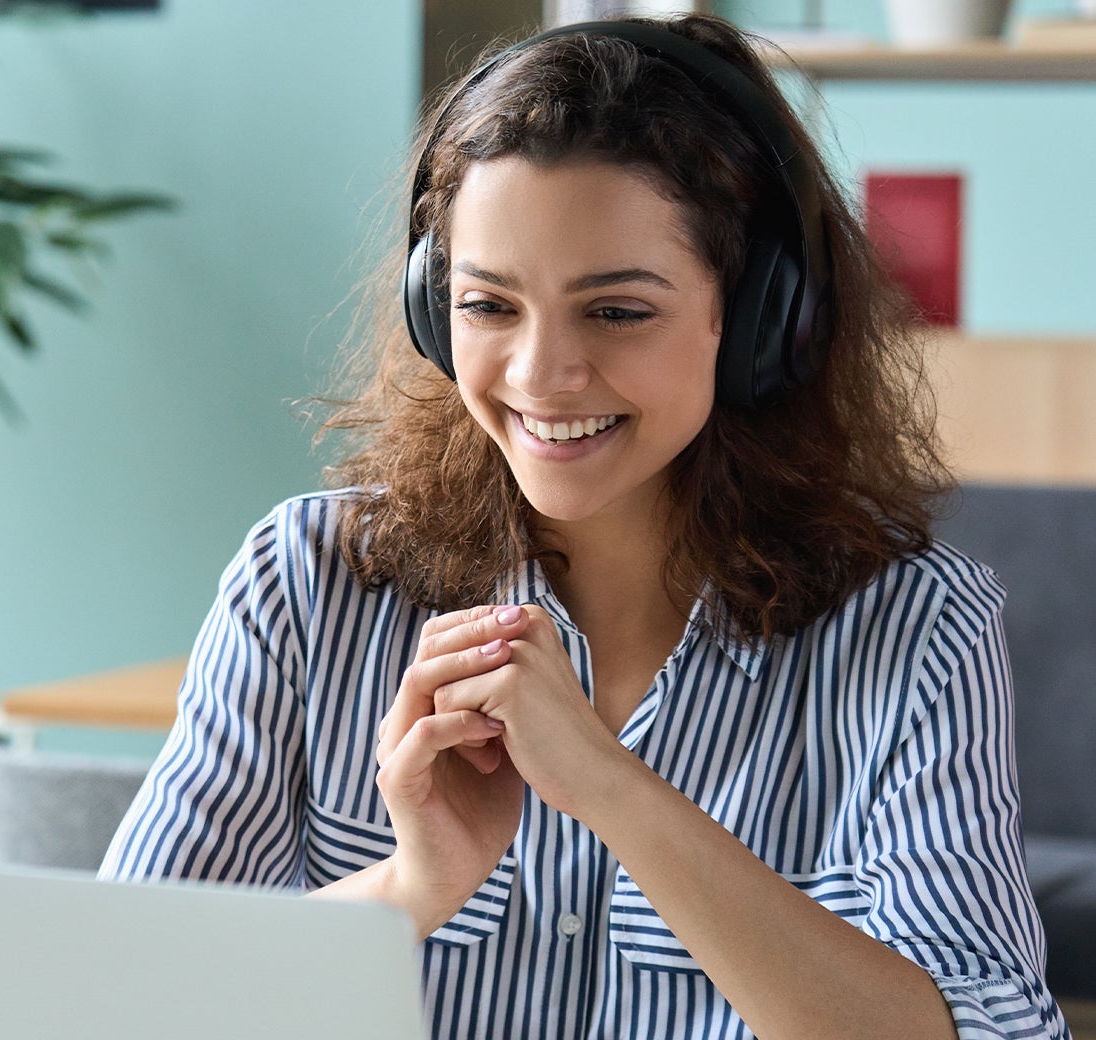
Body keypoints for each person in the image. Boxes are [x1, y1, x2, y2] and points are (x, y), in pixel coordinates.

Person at [100, 14, 1071, 1040]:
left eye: (615, 312)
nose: (539, 375)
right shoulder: (306, 582)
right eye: (487, 305)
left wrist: (612, 789)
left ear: (753, 323)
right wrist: (409, 886)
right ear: (434, 308)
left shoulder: (913, 626)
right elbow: (111, 1001)